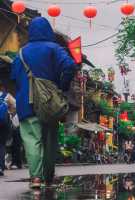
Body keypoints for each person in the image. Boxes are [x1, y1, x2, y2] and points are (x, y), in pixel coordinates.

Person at [11, 17, 77, 188]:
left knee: (32, 140)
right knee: (49, 140)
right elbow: (70, 66)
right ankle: (48, 176)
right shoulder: (54, 49)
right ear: (48, 31)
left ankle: (36, 178)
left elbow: (14, 78)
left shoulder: (20, 53)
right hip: (49, 102)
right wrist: (61, 86)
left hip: (26, 104)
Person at [0, 81, 14, 176]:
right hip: (3, 123)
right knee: (1, 145)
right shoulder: (6, 96)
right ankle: (1, 167)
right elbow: (14, 106)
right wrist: (9, 113)